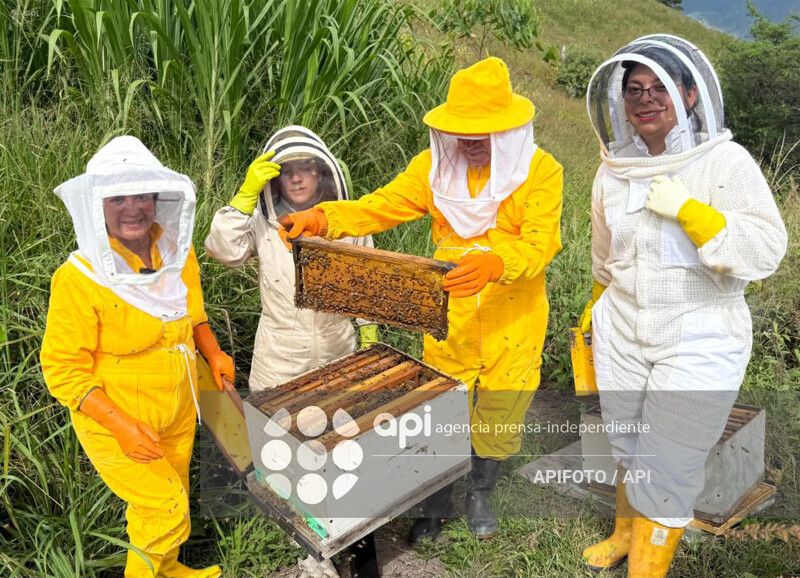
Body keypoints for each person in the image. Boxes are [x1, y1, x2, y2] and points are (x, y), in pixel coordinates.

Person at [280, 57, 564, 544]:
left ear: (509, 128)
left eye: (485, 131)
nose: (472, 142)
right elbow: (382, 204)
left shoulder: (541, 171)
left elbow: (541, 242)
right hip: (448, 310)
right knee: (443, 408)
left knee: (500, 410)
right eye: (463, 131)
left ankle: (479, 492)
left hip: (512, 316)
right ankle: (434, 504)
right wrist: (325, 218)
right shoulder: (433, 166)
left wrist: (498, 263)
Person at [579, 35, 787, 577]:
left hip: (700, 335)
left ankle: (647, 569)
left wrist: (693, 212)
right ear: (620, 103)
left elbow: (766, 248)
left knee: (668, 463)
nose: (646, 101)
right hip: (622, 327)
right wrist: (596, 305)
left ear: (689, 95)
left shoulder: (725, 162)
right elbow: (606, 253)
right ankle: (626, 535)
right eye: (634, 91)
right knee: (626, 443)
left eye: (659, 90)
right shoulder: (612, 169)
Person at [41, 136, 234, 578]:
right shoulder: (79, 279)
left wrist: (214, 351)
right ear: (97, 205)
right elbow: (62, 368)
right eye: (118, 197)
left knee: (171, 495)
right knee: (165, 506)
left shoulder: (176, 253)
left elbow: (193, 314)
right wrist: (122, 425)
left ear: (157, 198)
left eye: (142, 195)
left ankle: (167, 570)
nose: (133, 208)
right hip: (119, 418)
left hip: (179, 406)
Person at [204, 126, 376, 391]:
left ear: (321, 173)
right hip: (279, 359)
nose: (296, 178)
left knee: (340, 428)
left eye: (306, 168)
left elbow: (367, 281)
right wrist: (243, 199)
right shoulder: (261, 223)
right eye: (286, 172)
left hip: (339, 351)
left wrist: (369, 332)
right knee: (274, 431)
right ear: (274, 180)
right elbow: (224, 251)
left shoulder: (346, 220)